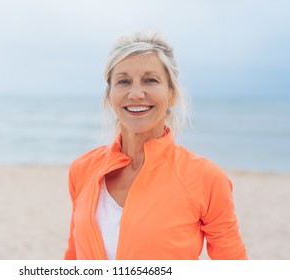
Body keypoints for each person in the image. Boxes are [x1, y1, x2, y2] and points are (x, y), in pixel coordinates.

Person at [64, 31, 247, 260]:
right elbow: (73, 254)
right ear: (110, 94)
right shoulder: (83, 169)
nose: (136, 93)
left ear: (171, 93)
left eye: (150, 80)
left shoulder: (206, 178)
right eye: (123, 81)